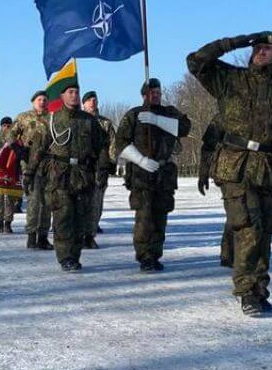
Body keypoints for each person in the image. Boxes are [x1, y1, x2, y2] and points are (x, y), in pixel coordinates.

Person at [186, 30, 272, 316]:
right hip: (234, 165)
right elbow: (196, 62)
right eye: (257, 47)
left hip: (269, 168)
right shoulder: (230, 79)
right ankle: (246, 291)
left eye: (268, 48)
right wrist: (235, 42)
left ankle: (258, 289)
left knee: (264, 230)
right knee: (248, 227)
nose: (261, 52)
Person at [23, 84, 112, 271]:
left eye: (77, 92)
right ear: (62, 96)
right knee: (63, 217)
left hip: (83, 175)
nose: (74, 96)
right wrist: (30, 173)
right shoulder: (52, 120)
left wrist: (103, 168)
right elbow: (38, 149)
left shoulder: (89, 121)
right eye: (70, 93)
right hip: (59, 175)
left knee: (80, 218)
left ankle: (75, 254)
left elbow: (102, 146)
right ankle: (65, 257)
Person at [114, 78, 192, 271]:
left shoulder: (169, 112)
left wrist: (158, 120)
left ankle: (155, 254)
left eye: (158, 92)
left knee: (160, 216)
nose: (155, 95)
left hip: (163, 173)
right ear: (144, 95)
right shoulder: (133, 115)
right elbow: (120, 142)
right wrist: (140, 160)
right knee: (144, 217)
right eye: (151, 92)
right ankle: (144, 256)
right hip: (141, 173)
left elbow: (184, 127)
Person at [17, 91, 53, 250]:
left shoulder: (53, 118)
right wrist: (17, 149)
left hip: (49, 165)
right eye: (39, 99)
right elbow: (10, 135)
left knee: (47, 202)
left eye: (45, 100)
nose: (42, 102)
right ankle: (31, 236)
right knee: (33, 201)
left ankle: (43, 236)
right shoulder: (23, 118)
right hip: (30, 166)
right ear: (33, 101)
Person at [198, 116, 235, 268]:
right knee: (236, 213)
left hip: (255, 172)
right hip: (228, 173)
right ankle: (229, 254)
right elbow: (208, 147)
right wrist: (203, 173)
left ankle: (240, 253)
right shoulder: (225, 112)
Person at [82, 90, 115, 246]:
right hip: (81, 167)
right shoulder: (79, 121)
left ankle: (92, 228)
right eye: (88, 100)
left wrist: (112, 162)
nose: (92, 102)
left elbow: (113, 144)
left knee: (97, 199)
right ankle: (82, 228)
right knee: (81, 199)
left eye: (94, 100)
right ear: (83, 104)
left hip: (99, 166)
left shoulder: (105, 123)